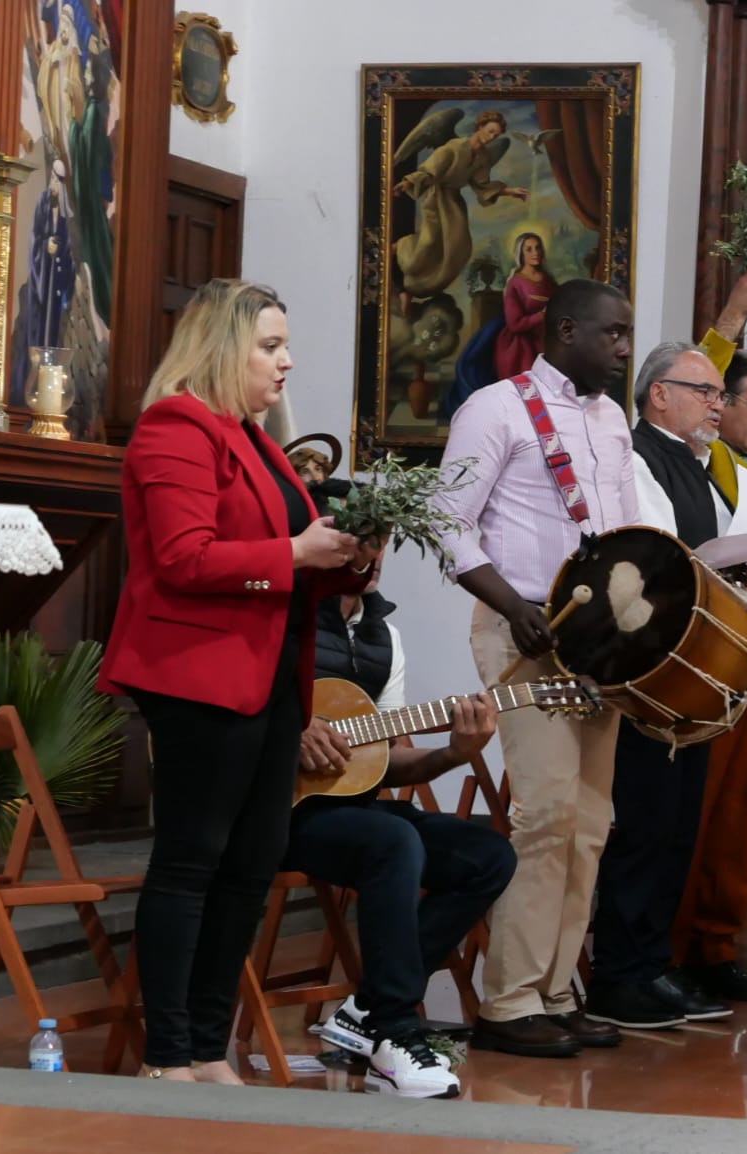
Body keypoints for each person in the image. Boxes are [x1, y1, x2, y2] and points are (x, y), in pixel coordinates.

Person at [98, 279, 374, 1083]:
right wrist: (295, 555)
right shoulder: (174, 427)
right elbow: (185, 560)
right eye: (269, 346)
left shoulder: (250, 436)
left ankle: (211, 1047)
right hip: (199, 677)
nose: (285, 362)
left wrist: (343, 560)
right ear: (223, 348)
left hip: (269, 679)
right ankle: (167, 1052)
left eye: (285, 345)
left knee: (251, 867)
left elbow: (284, 559)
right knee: (192, 862)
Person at [432, 279, 636, 1059]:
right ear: (566, 329)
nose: (622, 349)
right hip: (523, 632)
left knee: (590, 823)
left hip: (597, 642)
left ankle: (557, 990)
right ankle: (509, 1001)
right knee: (546, 814)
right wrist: (514, 606)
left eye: (627, 336)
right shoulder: (495, 408)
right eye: (611, 335)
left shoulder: (611, 418)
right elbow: (447, 524)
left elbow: (621, 526)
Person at [286, 508, 513, 1099]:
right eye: (359, 546)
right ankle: (395, 1029)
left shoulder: (385, 636)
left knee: (487, 854)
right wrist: (290, 729)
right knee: (394, 841)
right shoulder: (287, 618)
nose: (372, 559)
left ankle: (364, 1010)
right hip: (279, 813)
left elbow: (391, 757)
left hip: (353, 808)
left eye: (380, 547)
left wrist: (456, 752)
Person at [587, 343, 747, 1030]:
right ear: (657, 394)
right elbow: (653, 557)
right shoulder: (638, 460)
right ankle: (620, 972)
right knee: (643, 825)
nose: (717, 404)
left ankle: (654, 964)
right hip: (650, 674)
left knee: (675, 827)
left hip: (690, 678)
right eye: (704, 391)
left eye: (720, 394)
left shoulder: (697, 467)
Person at [669, 347, 747, 1003]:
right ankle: (676, 948)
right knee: (700, 807)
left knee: (741, 817)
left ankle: (719, 948)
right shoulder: (707, 460)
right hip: (710, 660)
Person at [392, 108, 531, 299]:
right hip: (436, 196)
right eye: (490, 131)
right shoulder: (454, 147)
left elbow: (481, 185)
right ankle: (402, 246)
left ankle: (419, 288)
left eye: (496, 135)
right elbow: (431, 170)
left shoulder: (483, 157)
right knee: (429, 241)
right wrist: (409, 181)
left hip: (454, 202)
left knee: (459, 250)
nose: (492, 137)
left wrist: (509, 191)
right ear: (480, 126)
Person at [494, 232, 557, 381]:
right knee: (529, 387)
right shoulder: (516, 283)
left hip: (545, 338)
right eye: (529, 249)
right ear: (521, 254)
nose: (535, 253)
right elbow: (514, 324)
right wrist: (540, 316)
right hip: (521, 345)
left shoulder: (548, 280)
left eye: (538, 248)